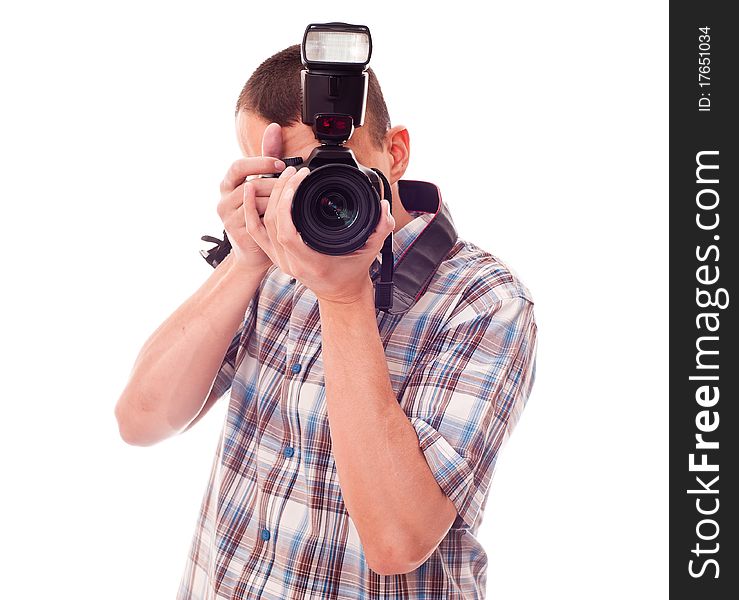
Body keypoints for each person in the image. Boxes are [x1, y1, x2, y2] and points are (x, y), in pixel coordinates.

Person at [114, 43, 538, 600]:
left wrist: (343, 298)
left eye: (327, 167)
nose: (309, 193)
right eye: (285, 173)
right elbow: (141, 420)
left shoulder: (484, 301)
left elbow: (396, 540)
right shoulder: (269, 260)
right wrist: (245, 259)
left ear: (397, 152)